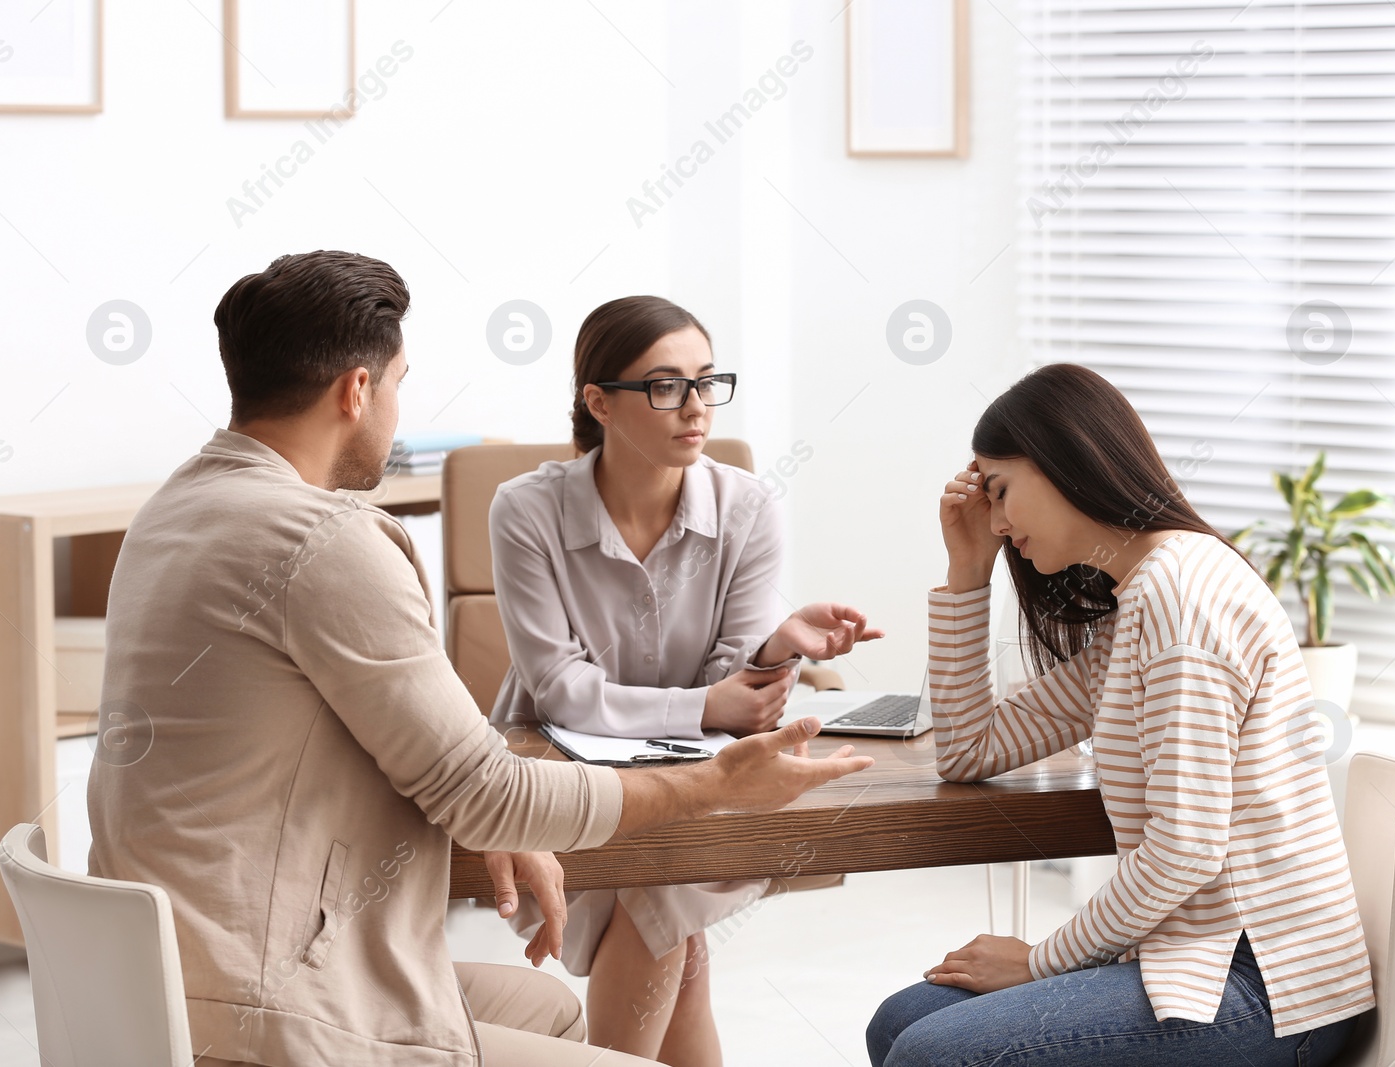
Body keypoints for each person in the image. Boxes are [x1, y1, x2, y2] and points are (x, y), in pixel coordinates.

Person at [85, 251, 873, 1067]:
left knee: (561, 1005)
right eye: (397, 382)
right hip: (271, 1001)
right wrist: (715, 781)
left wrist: (492, 802)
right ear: (358, 390)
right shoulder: (324, 539)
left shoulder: (174, 507)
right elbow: (493, 778)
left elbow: (412, 751)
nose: (395, 408)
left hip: (164, 975)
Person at [866, 363, 1374, 1066]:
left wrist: (1039, 959)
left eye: (1003, 490)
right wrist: (967, 574)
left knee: (930, 1052)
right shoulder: (1140, 598)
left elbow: (1186, 848)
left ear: (1064, 460)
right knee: (900, 1022)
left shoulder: (1180, 594)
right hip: (1195, 957)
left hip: (1264, 986)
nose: (999, 519)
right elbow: (970, 749)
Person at [488, 295, 881, 1065]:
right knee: (678, 945)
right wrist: (708, 700)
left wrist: (772, 648)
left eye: (707, 381)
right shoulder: (526, 510)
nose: (696, 406)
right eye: (666, 386)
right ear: (598, 401)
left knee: (662, 895)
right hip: (566, 776)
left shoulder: (748, 506)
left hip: (713, 778)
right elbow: (560, 689)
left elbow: (742, 703)